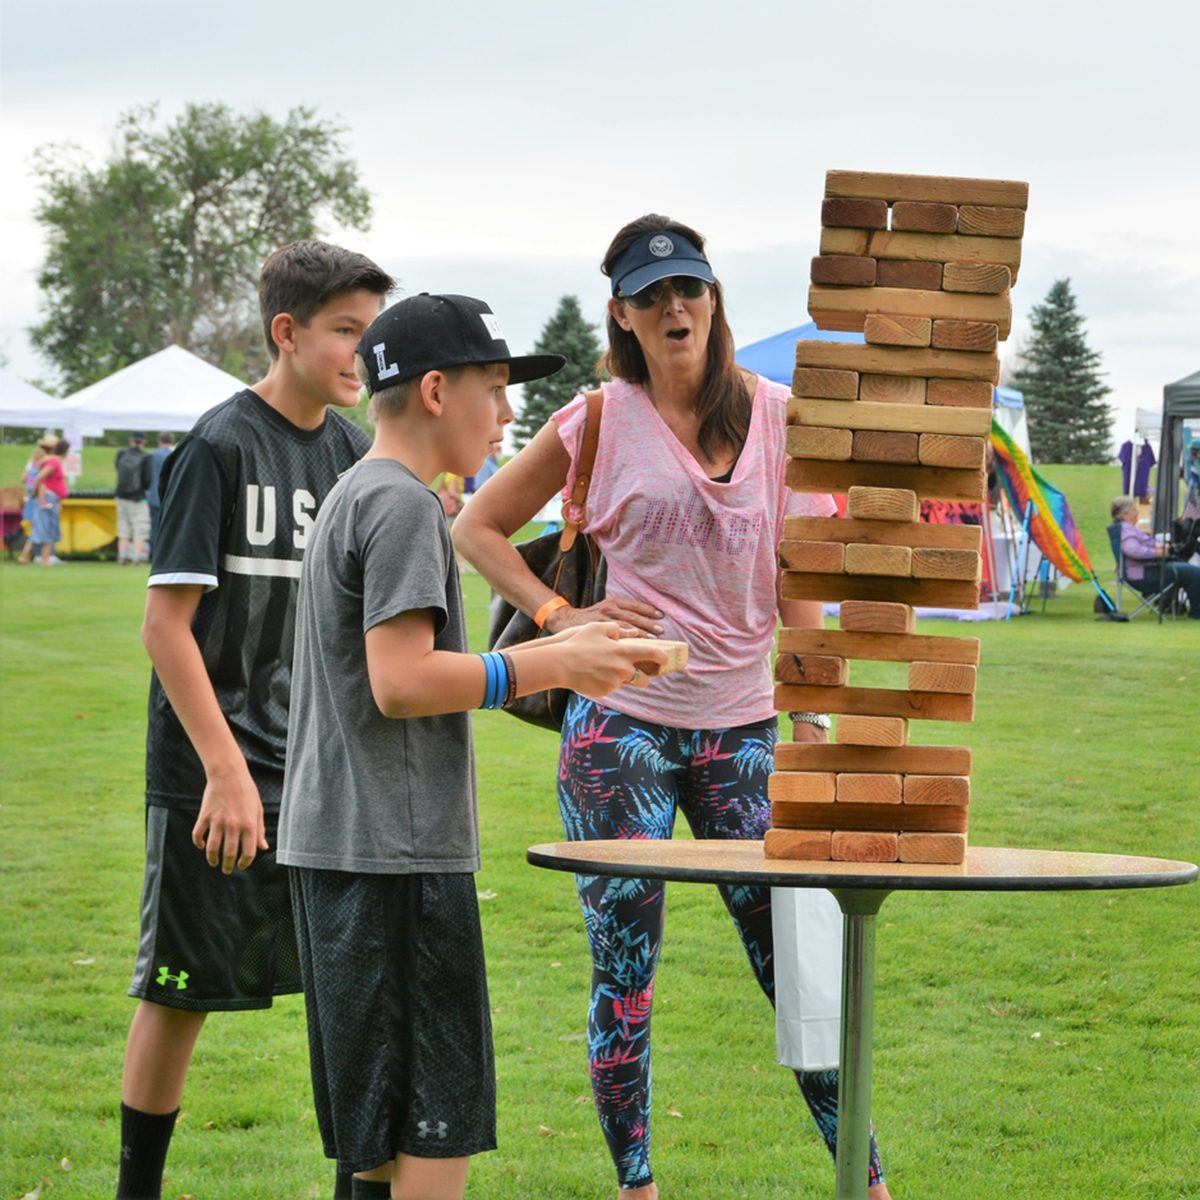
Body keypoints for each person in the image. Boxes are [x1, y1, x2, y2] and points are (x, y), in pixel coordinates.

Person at [454, 216, 893, 1198]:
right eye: (651, 297)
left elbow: (801, 582)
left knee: (801, 973)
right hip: (621, 736)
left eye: (688, 289)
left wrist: (813, 719)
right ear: (623, 314)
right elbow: (476, 527)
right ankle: (637, 1188)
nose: (674, 308)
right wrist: (559, 616)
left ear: (713, 298)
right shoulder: (594, 422)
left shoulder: (778, 417)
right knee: (625, 979)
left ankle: (866, 1184)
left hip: (745, 733)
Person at [277, 293, 663, 1200]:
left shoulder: (353, 493)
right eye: (495, 389)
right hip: (396, 858)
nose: (507, 413)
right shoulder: (405, 507)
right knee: (433, 1126)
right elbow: (401, 681)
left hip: (342, 850)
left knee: (372, 1138)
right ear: (439, 391)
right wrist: (544, 662)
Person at [116, 240, 395, 1200]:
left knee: (360, 1000)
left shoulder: (361, 454)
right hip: (215, 778)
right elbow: (165, 627)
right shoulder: (219, 447)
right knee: (179, 990)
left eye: (372, 332)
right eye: (346, 331)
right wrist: (227, 773)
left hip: (326, 781)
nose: (364, 353)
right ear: (288, 332)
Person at [1112, 495, 1200, 618]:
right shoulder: (1126, 530)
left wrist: (1158, 546)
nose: (1137, 511)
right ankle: (1196, 613)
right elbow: (1132, 550)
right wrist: (1156, 552)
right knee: (1195, 573)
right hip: (1145, 575)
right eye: (1134, 509)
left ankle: (1181, 607)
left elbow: (1141, 545)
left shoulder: (1124, 529)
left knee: (1188, 570)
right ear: (1125, 514)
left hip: (1146, 570)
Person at [25, 435, 69, 565]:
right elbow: (41, 480)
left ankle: (40, 556)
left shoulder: (42, 460)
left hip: (45, 497)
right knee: (46, 528)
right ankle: (44, 558)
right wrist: (35, 494)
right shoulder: (51, 462)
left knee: (41, 527)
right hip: (44, 498)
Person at [114, 433, 153, 564]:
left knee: (123, 526)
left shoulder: (121, 454)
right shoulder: (146, 456)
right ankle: (137, 557)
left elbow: (117, 470)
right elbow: (148, 479)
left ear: (130, 440)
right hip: (138, 497)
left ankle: (122, 555)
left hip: (121, 495)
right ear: (144, 442)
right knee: (140, 527)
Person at [145, 432, 176, 560]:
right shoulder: (175, 454)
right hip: (171, 496)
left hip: (153, 496)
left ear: (159, 441)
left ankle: (154, 555)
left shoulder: (153, 455)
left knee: (154, 527)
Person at [16, 441, 47, 564]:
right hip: (38, 499)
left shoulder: (31, 465)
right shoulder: (43, 466)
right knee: (40, 528)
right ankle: (28, 555)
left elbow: (23, 479)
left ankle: (35, 555)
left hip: (30, 499)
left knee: (36, 527)